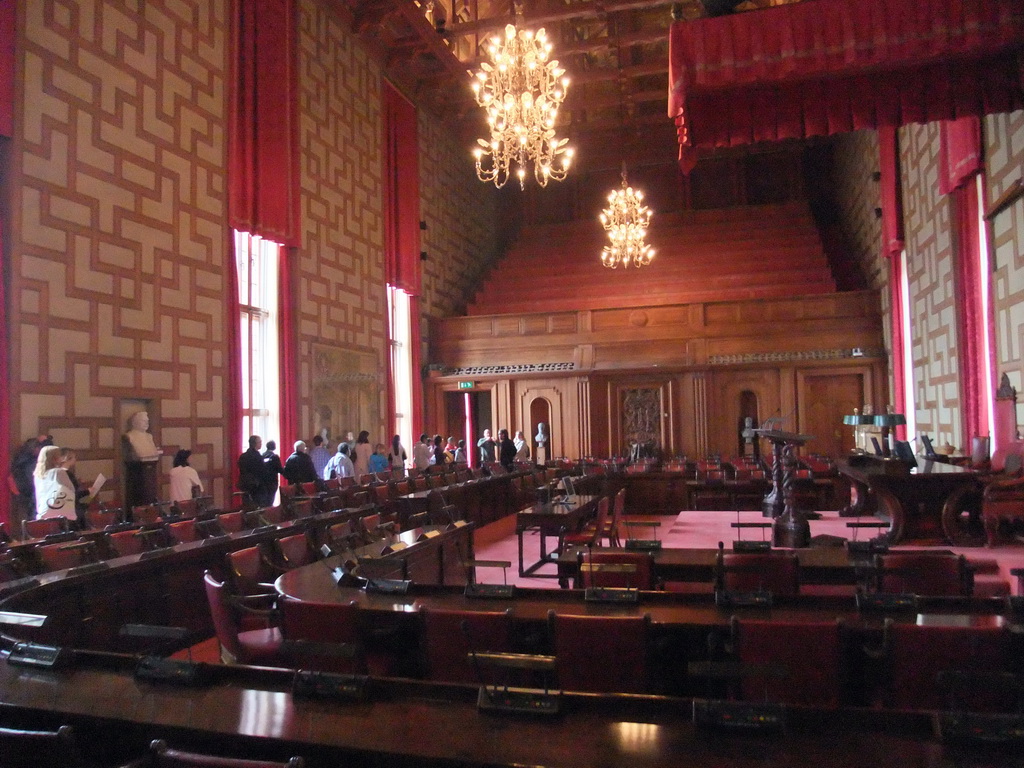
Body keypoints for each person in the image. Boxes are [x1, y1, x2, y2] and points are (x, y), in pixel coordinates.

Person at [10, 435, 52, 524]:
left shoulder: (23, 460)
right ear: (35, 448)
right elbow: (50, 452)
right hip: (31, 494)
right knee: (34, 520)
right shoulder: (30, 464)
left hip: (25, 493)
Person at [33, 445, 77, 521]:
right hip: (59, 512)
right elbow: (71, 489)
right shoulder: (58, 472)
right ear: (55, 458)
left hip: (43, 511)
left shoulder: (37, 475)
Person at [59, 448, 92, 518]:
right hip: (72, 508)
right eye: (74, 457)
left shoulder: (59, 473)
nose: (75, 459)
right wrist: (88, 491)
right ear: (67, 458)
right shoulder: (67, 474)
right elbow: (73, 494)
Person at [238, 435, 265, 504]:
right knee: (256, 505)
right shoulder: (257, 456)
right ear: (254, 444)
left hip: (244, 483)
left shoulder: (243, 456)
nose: (261, 444)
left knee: (246, 504)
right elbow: (261, 470)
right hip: (255, 485)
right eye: (259, 442)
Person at [260, 440, 284, 507]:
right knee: (270, 500)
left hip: (263, 481)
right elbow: (279, 469)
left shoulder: (262, 455)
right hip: (272, 481)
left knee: (265, 500)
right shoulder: (274, 456)